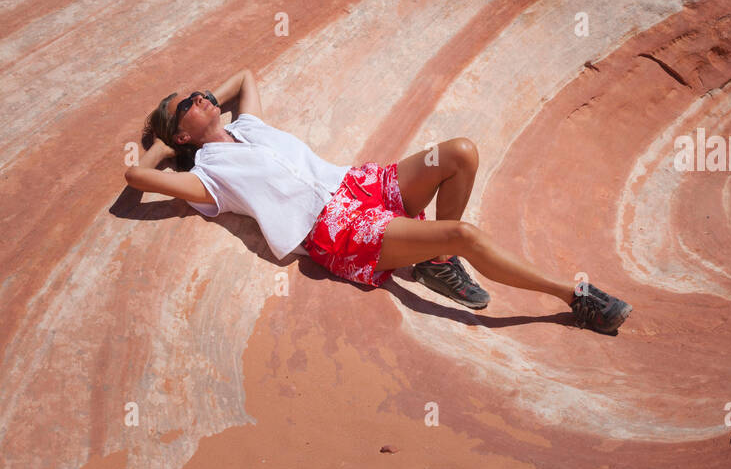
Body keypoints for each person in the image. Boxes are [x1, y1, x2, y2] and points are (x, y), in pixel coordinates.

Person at [127, 68, 633, 334]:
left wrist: (203, 104)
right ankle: (577, 301)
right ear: (181, 136)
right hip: (334, 229)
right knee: (466, 234)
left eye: (199, 93)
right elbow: (136, 174)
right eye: (186, 105)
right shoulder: (209, 177)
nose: (201, 99)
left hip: (358, 184)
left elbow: (244, 76)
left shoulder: (248, 126)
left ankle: (435, 263)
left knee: (459, 152)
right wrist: (168, 144)